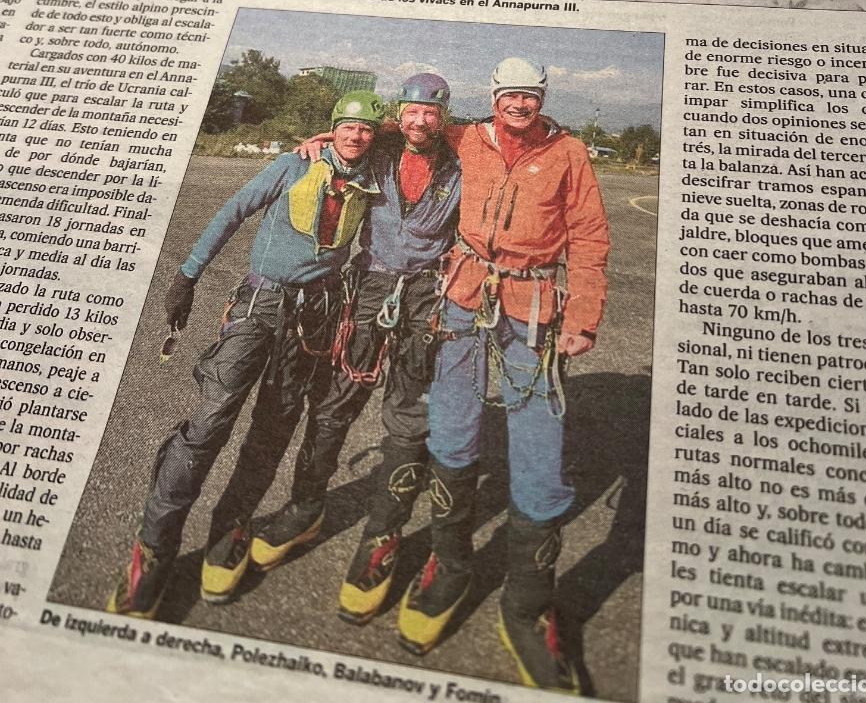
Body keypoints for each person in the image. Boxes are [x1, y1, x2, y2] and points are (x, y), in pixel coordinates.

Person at [106, 90, 385, 619]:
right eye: (345, 127)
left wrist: (357, 134)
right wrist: (188, 275)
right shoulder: (292, 165)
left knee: (273, 428)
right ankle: (154, 550)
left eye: (366, 129)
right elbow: (232, 212)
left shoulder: (372, 177)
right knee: (208, 425)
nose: (355, 136)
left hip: (315, 316)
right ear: (332, 128)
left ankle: (230, 531)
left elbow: (420, 132)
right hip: (259, 304)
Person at [396, 57, 610, 694]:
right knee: (452, 426)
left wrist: (585, 315)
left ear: (542, 99)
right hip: (464, 293)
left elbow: (591, 238)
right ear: (495, 98)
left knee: (539, 445)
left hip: (536, 302)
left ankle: (527, 605)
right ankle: (451, 564)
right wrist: (326, 139)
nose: (520, 103)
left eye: (531, 95)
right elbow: (406, 130)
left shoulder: (567, 152)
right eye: (511, 94)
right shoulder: (467, 136)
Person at [249, 73, 462, 627]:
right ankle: (306, 507)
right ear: (400, 115)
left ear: (444, 117)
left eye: (430, 113)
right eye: (410, 112)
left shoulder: (464, 156)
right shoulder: (382, 144)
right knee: (334, 400)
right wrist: (321, 136)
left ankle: (382, 537)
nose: (419, 121)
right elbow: (355, 135)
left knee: (408, 416)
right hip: (368, 285)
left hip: (425, 294)